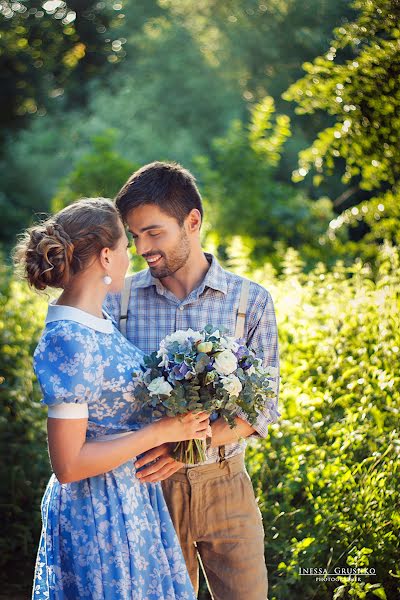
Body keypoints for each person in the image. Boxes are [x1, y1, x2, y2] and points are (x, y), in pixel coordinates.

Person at [14, 197, 210, 600]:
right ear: (106, 256)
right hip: (96, 510)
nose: (131, 257)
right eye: (124, 247)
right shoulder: (67, 339)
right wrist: (161, 430)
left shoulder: (98, 319)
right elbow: (68, 465)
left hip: (132, 498)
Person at [105, 162, 281, 600]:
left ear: (193, 221)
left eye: (154, 232)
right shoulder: (117, 301)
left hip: (226, 485)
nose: (143, 247)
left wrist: (187, 448)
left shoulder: (250, 301)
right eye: (134, 235)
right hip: (147, 489)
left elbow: (263, 407)